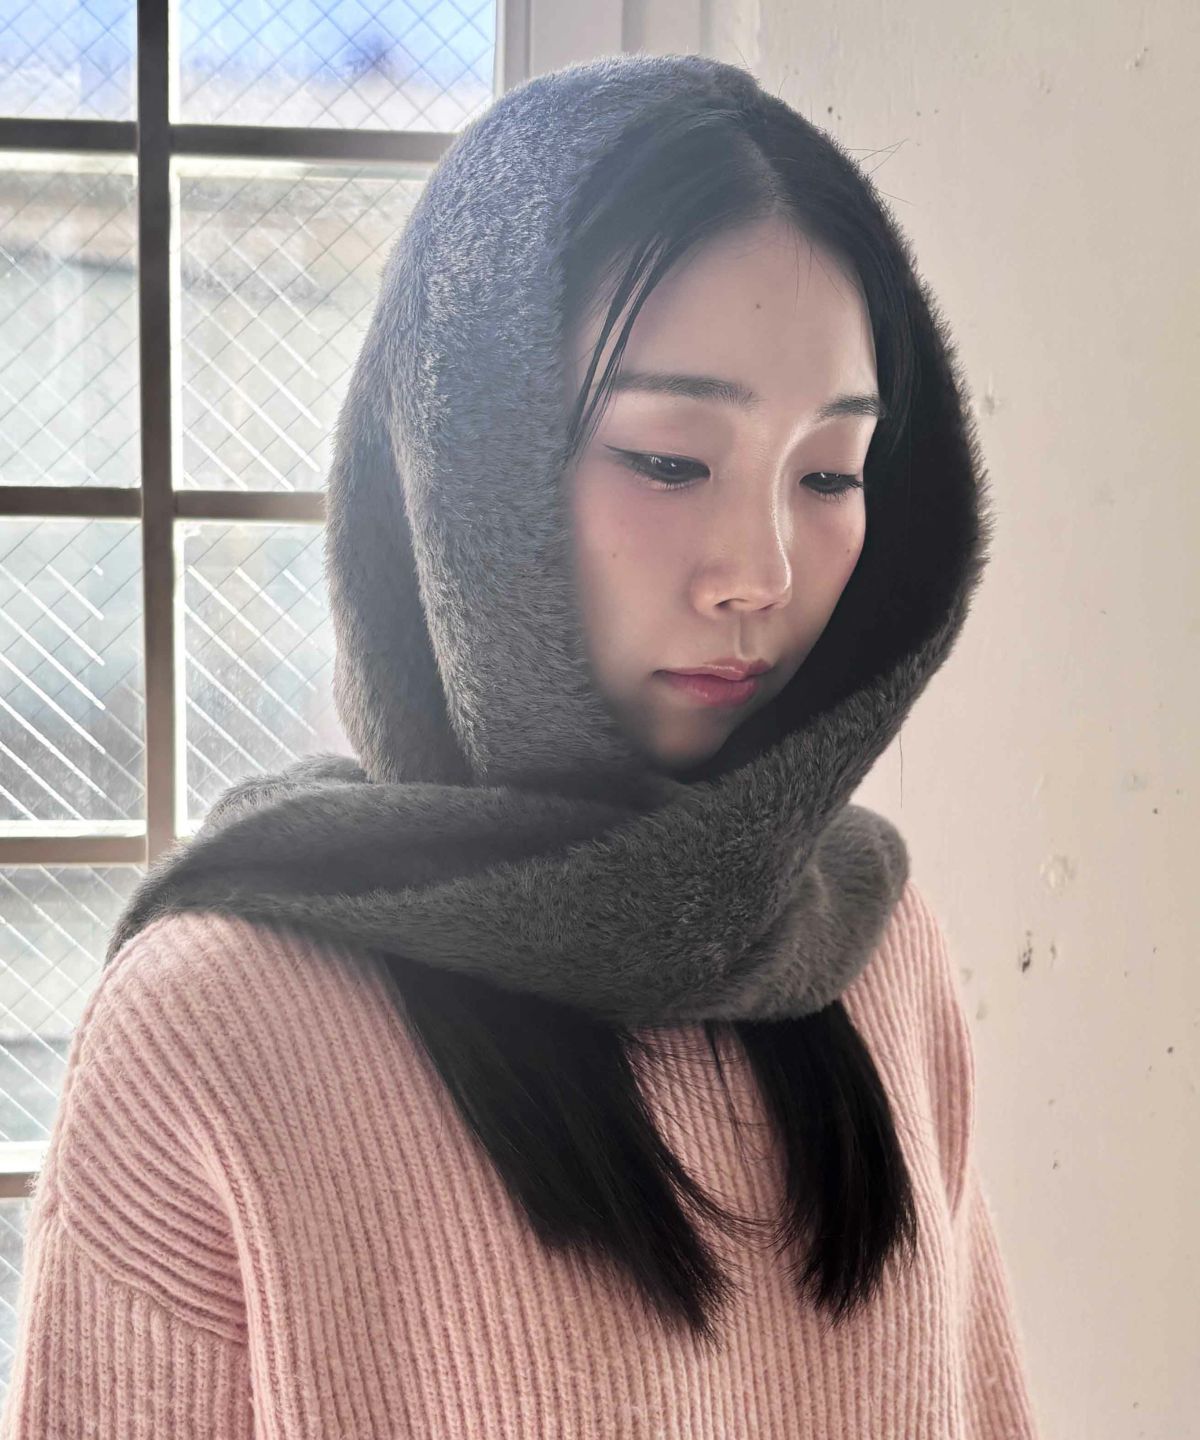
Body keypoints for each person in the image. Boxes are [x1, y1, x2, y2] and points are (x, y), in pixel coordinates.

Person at [0, 54, 1041, 1438]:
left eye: (830, 473)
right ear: (459, 468)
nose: (760, 572)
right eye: (668, 460)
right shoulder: (218, 1022)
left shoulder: (875, 945)